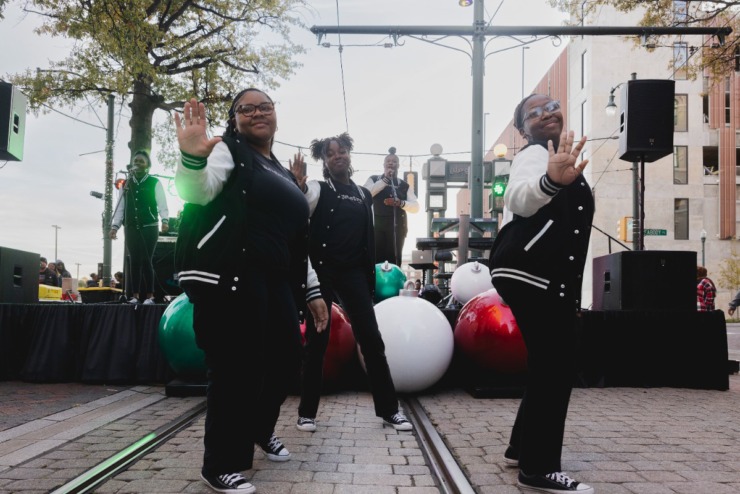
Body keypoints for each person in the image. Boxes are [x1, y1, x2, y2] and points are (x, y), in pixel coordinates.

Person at [173, 90, 328, 494]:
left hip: (276, 281)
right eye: (247, 108)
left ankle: (260, 429)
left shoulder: (277, 168)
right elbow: (196, 192)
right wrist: (192, 156)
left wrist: (312, 290)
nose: (257, 112)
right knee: (234, 370)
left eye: (265, 106)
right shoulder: (230, 151)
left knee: (286, 360)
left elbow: (296, 238)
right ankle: (220, 463)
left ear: (276, 115)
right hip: (233, 276)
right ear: (235, 118)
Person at [488, 94, 594, 494]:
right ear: (522, 129)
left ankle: (521, 446)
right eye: (534, 112)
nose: (546, 112)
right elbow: (516, 197)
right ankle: (538, 467)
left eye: (550, 105)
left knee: (548, 362)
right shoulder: (534, 155)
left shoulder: (555, 154)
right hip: (531, 272)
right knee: (556, 365)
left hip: (543, 275)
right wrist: (550, 181)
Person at [290, 132, 413, 434]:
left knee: (372, 340)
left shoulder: (362, 193)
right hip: (322, 273)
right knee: (317, 342)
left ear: (349, 155)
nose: (338, 156)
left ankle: (390, 411)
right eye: (331, 153)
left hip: (355, 275)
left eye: (342, 150)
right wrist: (297, 188)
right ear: (324, 160)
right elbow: (296, 213)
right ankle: (307, 412)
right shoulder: (318, 188)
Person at [109, 150, 169, 305]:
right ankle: (135, 296)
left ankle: (150, 296)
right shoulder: (126, 184)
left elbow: (162, 202)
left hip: (150, 226)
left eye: (141, 161)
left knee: (146, 260)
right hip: (130, 227)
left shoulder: (154, 182)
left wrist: (165, 220)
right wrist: (115, 226)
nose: (138, 163)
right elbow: (120, 206)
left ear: (147, 165)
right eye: (136, 160)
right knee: (134, 260)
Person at [363, 147, 419, 267]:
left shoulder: (404, 185)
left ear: (398, 165)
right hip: (376, 227)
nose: (391, 163)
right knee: (377, 260)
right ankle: (375, 284)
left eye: (394, 161)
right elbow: (366, 194)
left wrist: (400, 203)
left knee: (394, 260)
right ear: (383, 164)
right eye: (388, 161)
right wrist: (385, 180)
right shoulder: (373, 179)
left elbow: (415, 207)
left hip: (397, 228)